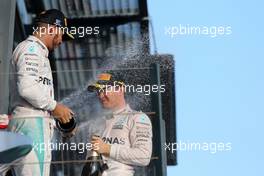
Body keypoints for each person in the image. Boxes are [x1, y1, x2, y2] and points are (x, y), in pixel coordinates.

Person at [5, 9, 74, 176]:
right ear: (52, 29)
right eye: (62, 35)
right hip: (32, 126)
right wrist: (55, 107)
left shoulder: (36, 51)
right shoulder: (32, 49)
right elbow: (27, 88)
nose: (61, 42)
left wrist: (60, 119)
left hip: (26, 124)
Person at [87, 73, 153, 176]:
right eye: (98, 91)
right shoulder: (95, 123)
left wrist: (108, 149)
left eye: (105, 89)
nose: (101, 95)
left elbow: (144, 156)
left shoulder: (137, 117)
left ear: (121, 89)